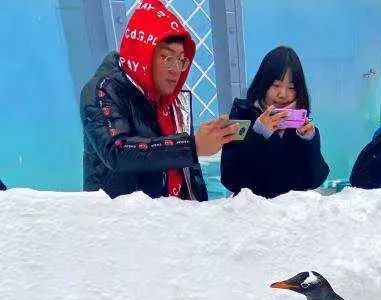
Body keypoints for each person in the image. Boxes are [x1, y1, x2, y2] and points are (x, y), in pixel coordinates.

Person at [80, 0, 237, 200]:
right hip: (122, 225)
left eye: (181, 60)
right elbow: (117, 152)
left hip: (172, 221)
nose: (175, 69)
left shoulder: (174, 100)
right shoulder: (102, 90)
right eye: (166, 58)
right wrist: (192, 146)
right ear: (143, 53)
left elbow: (188, 175)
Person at [220, 46, 329, 199]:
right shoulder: (241, 116)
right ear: (263, 82)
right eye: (276, 85)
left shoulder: (300, 125)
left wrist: (308, 141)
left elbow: (315, 179)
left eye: (291, 87)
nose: (282, 94)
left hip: (292, 213)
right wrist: (259, 133)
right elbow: (230, 179)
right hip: (251, 214)